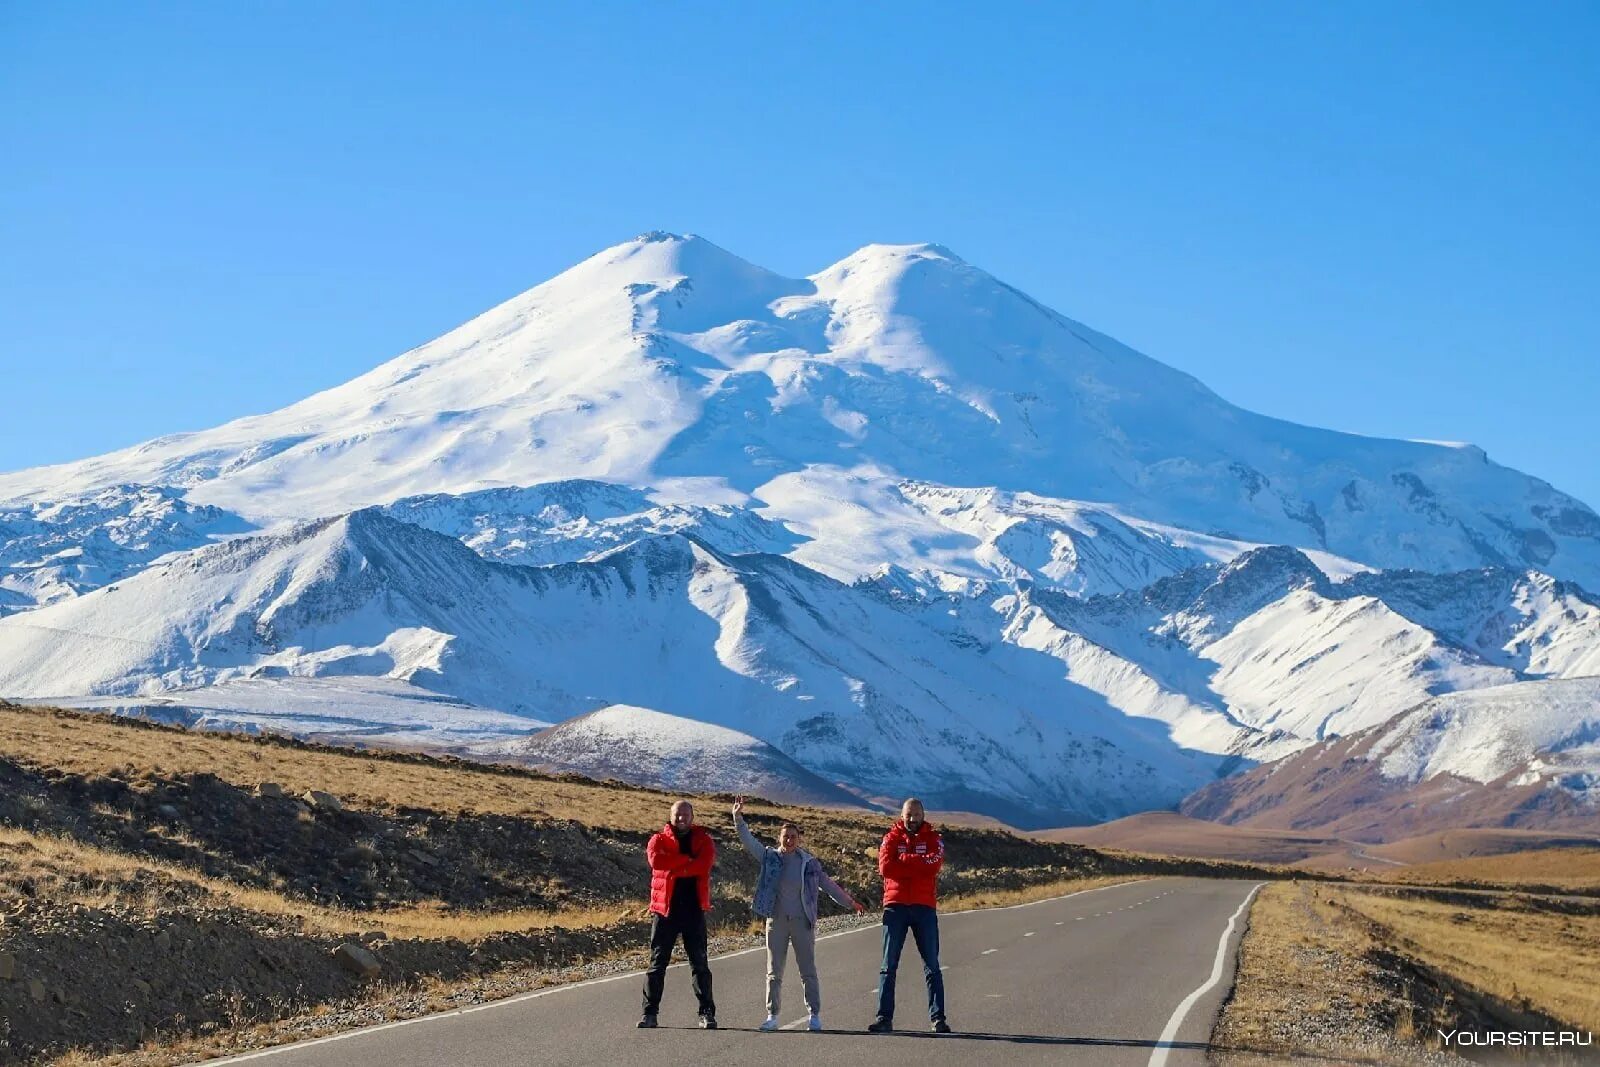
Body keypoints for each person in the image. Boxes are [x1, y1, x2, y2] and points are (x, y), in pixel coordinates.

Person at [732, 796, 864, 1033]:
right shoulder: (770, 858)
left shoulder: (809, 863)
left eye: (793, 836)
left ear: (798, 838)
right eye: (785, 836)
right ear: (779, 838)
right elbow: (748, 841)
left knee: (808, 970)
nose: (789, 840)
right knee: (774, 972)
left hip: (803, 922)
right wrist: (738, 818)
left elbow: (829, 885)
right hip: (776, 922)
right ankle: (772, 1016)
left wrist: (850, 903)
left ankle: (814, 1015)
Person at [868, 797, 950, 1034]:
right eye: (908, 815)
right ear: (901, 815)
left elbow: (933, 865)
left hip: (924, 907)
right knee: (888, 965)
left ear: (923, 815)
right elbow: (885, 868)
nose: (912, 819)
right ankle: (884, 1018)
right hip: (895, 907)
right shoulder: (890, 838)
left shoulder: (934, 839)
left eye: (916, 815)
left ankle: (938, 1018)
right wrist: (916, 863)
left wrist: (902, 860)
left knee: (932, 965)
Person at [639, 800, 717, 1029]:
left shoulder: (703, 840)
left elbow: (703, 865)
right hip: (665, 912)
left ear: (692, 817)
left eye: (685, 814)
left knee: (700, 964)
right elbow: (656, 861)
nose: (681, 818)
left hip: (693, 910)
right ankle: (649, 1013)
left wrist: (676, 867)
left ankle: (706, 1013)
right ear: (670, 816)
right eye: (677, 814)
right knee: (657, 963)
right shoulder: (658, 840)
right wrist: (686, 861)